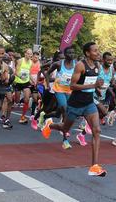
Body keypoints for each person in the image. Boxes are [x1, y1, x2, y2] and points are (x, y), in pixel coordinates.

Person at [41, 42, 106, 177]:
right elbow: (72, 86)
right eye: (95, 51)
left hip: (89, 104)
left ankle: (94, 166)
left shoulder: (97, 66)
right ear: (87, 53)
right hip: (75, 104)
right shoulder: (80, 65)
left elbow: (90, 84)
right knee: (65, 128)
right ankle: (50, 125)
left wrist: (97, 89)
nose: (98, 53)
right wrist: (93, 84)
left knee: (97, 130)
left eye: (98, 50)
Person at [42, 46, 76, 149]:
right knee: (65, 109)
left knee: (58, 114)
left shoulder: (76, 65)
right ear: (65, 55)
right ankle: (65, 140)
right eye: (69, 53)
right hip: (59, 90)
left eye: (73, 53)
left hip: (70, 91)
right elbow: (47, 73)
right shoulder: (58, 64)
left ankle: (45, 117)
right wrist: (47, 85)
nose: (71, 55)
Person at [14, 48, 33, 124]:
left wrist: (32, 81)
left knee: (27, 100)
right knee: (17, 101)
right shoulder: (20, 61)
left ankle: (22, 117)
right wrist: (20, 76)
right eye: (28, 53)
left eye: (30, 54)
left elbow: (29, 73)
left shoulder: (31, 63)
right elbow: (16, 71)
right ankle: (16, 99)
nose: (29, 55)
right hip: (18, 82)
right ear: (25, 54)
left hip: (26, 82)